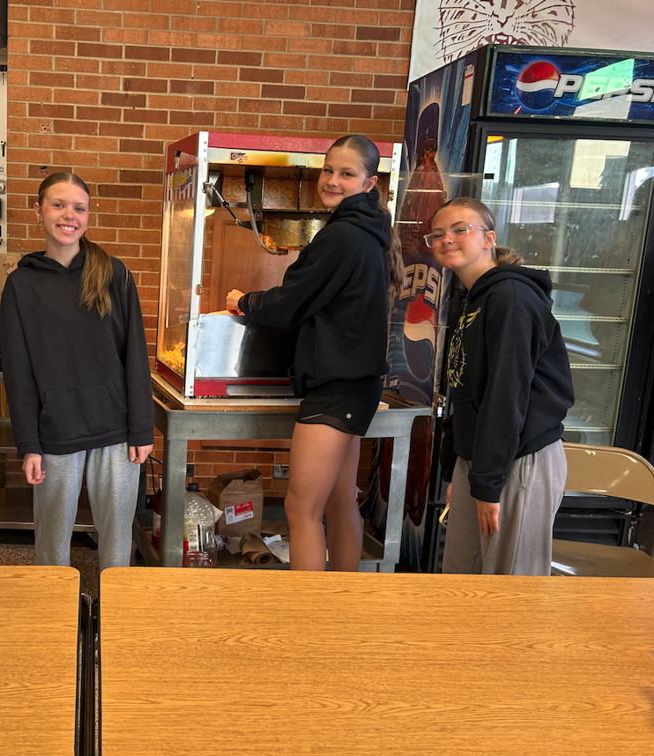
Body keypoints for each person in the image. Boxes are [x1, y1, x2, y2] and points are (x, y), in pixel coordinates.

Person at [226, 135, 403, 572]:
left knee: (300, 509)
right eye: (328, 170)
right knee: (341, 502)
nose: (333, 180)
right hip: (357, 385)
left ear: (369, 182)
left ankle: (309, 616)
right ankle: (340, 606)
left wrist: (244, 300)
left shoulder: (342, 236)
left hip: (335, 389)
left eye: (346, 173)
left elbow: (291, 301)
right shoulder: (367, 233)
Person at [0, 173, 154, 571]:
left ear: (87, 216)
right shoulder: (20, 285)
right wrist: (28, 443)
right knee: (51, 540)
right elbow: (18, 373)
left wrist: (142, 429)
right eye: (58, 205)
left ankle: (116, 613)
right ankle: (50, 612)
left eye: (79, 208)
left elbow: (135, 355)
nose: (69, 215)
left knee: (118, 538)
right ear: (38, 211)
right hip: (55, 430)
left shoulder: (113, 274)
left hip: (115, 430)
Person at [429, 197, 573, 575]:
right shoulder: (470, 299)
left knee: (511, 586)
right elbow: (461, 388)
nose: (447, 239)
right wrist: (457, 469)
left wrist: (487, 483)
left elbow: (505, 396)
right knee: (462, 579)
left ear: (488, 238)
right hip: (479, 459)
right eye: (438, 234)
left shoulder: (511, 300)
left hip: (519, 458)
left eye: (460, 230)